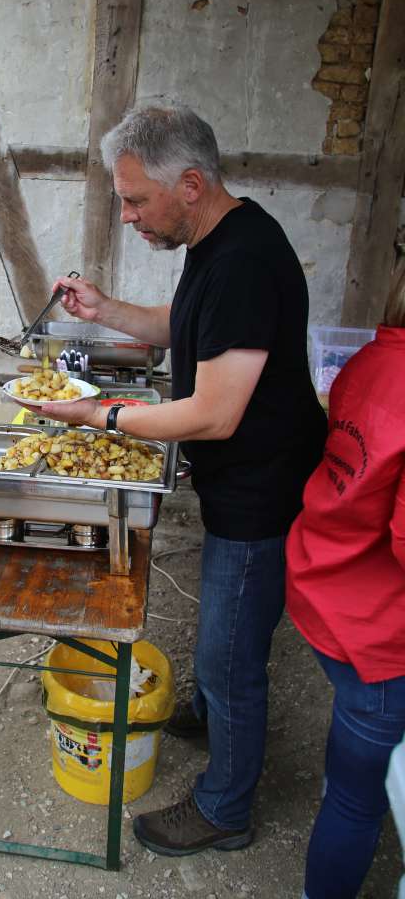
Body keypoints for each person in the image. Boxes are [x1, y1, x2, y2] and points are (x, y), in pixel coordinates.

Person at [36, 106, 327, 855]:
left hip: (258, 493)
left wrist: (98, 415)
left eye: (135, 200)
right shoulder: (219, 238)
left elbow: (213, 415)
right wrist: (108, 311)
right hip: (243, 477)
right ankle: (205, 711)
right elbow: (190, 324)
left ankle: (225, 808)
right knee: (224, 636)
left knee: (233, 657)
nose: (127, 215)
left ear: (190, 184)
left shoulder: (245, 259)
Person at [286, 261, 405, 899]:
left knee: (355, 750)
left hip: (320, 581)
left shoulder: (369, 360)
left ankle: (344, 775)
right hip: (380, 628)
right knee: (360, 800)